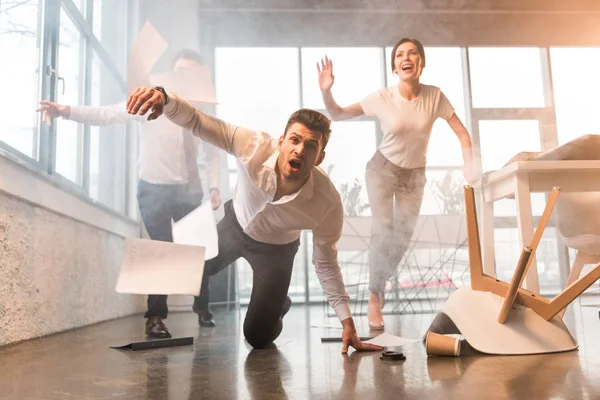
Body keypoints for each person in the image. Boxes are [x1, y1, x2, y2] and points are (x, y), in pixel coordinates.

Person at [125, 85, 383, 353]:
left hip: (277, 252)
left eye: (310, 146)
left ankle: (278, 304)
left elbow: (326, 264)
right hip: (234, 226)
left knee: (258, 337)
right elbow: (199, 122)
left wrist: (347, 321)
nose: (299, 150)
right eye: (295, 140)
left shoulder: (327, 203)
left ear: (320, 157)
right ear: (281, 142)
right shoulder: (252, 146)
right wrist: (166, 98)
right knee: (187, 264)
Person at [36, 49, 223, 339]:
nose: (183, 78)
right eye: (178, 71)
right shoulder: (149, 103)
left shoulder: (202, 114)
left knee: (198, 252)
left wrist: (214, 186)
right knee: (161, 249)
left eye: (190, 72)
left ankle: (203, 308)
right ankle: (156, 318)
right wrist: (65, 111)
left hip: (189, 190)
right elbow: (107, 114)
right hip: (153, 189)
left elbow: (213, 155)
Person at [317, 38, 480, 330]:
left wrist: (471, 168)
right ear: (395, 66)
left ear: (421, 62)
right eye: (400, 55)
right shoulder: (383, 97)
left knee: (402, 238)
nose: (407, 58)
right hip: (381, 170)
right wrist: (327, 92)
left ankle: (379, 282)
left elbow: (463, 135)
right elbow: (337, 114)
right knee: (384, 230)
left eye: (413, 53)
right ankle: (374, 297)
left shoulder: (435, 97)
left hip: (414, 176)